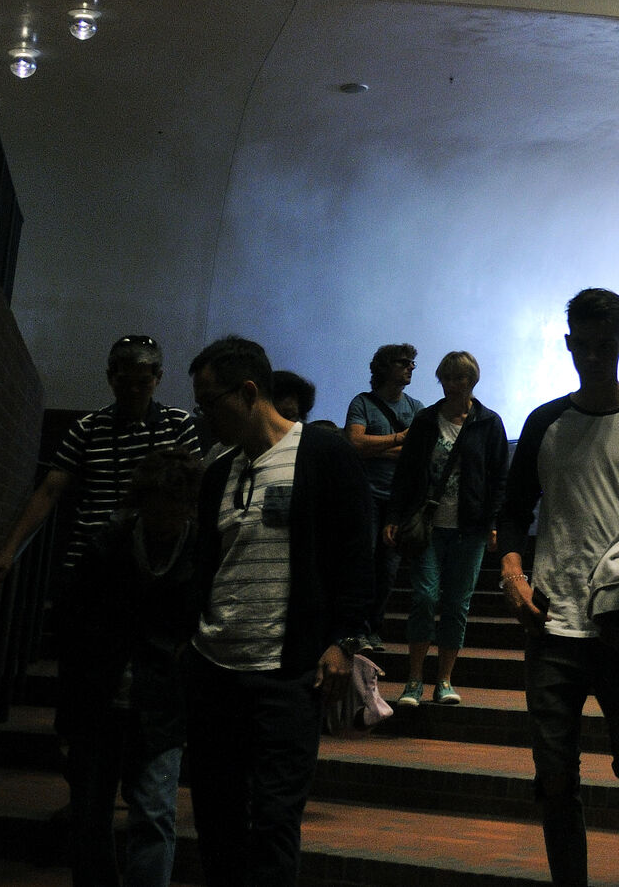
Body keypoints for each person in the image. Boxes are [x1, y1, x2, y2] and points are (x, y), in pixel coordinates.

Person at [497, 288, 619, 887]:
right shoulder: (544, 424)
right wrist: (511, 574)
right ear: (568, 345)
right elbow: (513, 512)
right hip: (551, 622)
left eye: (605, 346)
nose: (592, 357)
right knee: (554, 777)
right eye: (582, 346)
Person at [184, 335, 371, 887]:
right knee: (216, 821)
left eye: (210, 402)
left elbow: (357, 556)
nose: (204, 417)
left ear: (247, 392)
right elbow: (206, 566)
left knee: (273, 821)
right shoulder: (219, 471)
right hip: (215, 669)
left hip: (286, 674)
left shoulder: (323, 453)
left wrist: (344, 640)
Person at [58, 445, 202, 887]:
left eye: (173, 511)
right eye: (155, 510)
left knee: (156, 813)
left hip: (161, 701)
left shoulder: (198, 549)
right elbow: (76, 630)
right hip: (102, 696)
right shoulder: (110, 544)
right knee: (89, 813)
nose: (163, 522)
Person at [0, 335, 197, 583]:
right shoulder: (87, 428)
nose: (133, 390)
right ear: (110, 377)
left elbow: (195, 491)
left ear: (158, 378)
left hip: (155, 560)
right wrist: (8, 551)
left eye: (143, 382)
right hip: (92, 555)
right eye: (124, 381)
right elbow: (49, 491)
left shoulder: (177, 423)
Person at [383, 351, 509, 707]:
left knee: (457, 604)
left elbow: (499, 477)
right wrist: (393, 516)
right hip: (428, 527)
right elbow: (406, 473)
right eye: (447, 379)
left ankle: (444, 679)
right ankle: (413, 679)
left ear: (472, 382)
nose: (453, 386)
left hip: (470, 528)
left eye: (460, 379)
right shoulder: (425, 420)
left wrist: (494, 523)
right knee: (424, 597)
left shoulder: (489, 423)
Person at [344, 344, 423, 646]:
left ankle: (372, 628)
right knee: (362, 563)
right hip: (365, 497)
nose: (410, 368)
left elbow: (417, 452)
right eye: (404, 362)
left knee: (387, 570)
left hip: (398, 501)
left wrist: (378, 447)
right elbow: (353, 443)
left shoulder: (416, 407)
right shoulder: (363, 403)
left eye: (412, 363)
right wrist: (399, 440)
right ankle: (356, 629)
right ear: (384, 367)